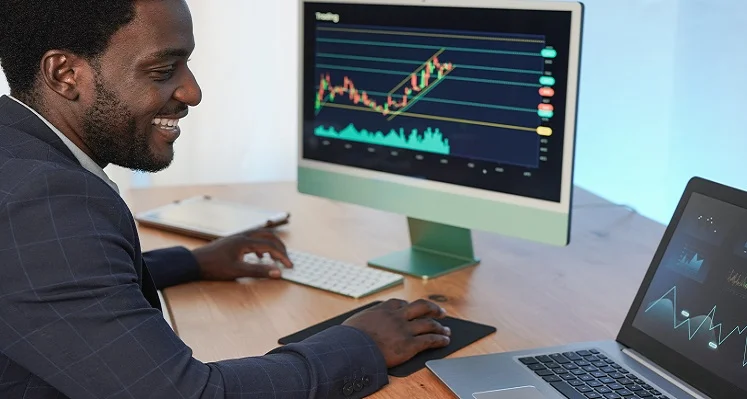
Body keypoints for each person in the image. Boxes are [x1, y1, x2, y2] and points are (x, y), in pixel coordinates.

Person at [0, 1, 452, 398]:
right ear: (65, 74)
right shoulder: (44, 200)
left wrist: (193, 263)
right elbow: (189, 394)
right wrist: (361, 345)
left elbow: (53, 279)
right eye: (163, 70)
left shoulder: (15, 150)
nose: (192, 92)